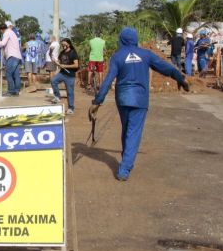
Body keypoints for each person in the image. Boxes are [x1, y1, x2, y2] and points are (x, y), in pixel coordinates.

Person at [90, 27, 189, 181]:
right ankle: (124, 168)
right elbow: (166, 67)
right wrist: (180, 78)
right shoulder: (146, 54)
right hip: (140, 99)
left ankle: (126, 159)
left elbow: (108, 80)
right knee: (133, 132)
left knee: (127, 129)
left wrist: (97, 101)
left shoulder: (117, 56)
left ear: (121, 40)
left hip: (122, 99)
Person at [49, 38, 79, 114]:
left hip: (70, 76)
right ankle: (57, 97)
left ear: (69, 44)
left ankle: (71, 108)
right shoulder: (62, 53)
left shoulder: (73, 53)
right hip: (62, 74)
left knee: (70, 92)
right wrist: (55, 62)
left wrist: (65, 66)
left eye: (65, 44)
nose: (63, 45)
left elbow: (76, 65)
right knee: (53, 80)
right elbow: (59, 62)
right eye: (62, 44)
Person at [0, 21, 23, 96]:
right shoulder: (12, 32)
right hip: (17, 56)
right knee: (16, 74)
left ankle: (11, 91)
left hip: (12, 56)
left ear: (1, 30)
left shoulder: (6, 33)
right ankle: (17, 90)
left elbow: (3, 43)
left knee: (8, 73)